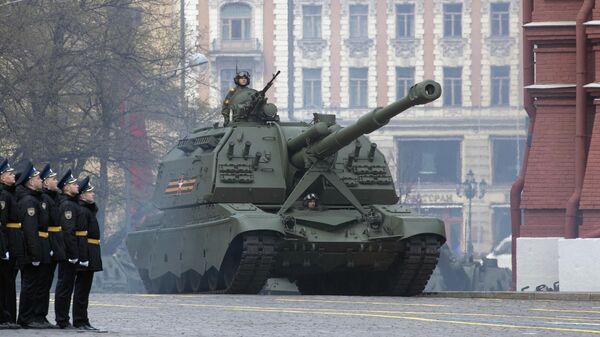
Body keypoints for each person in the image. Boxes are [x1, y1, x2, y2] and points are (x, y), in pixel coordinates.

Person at [14, 161, 50, 329]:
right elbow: (30, 230)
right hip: (31, 250)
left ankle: (30, 317)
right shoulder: (29, 201)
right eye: (36, 178)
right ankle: (25, 318)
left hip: (38, 247)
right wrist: (35, 254)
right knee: (29, 285)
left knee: (35, 285)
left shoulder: (34, 199)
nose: (40, 180)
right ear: (29, 181)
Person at [36, 164, 64, 328]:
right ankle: (36, 315)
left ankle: (42, 315)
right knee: (41, 281)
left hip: (54, 240)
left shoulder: (54, 197)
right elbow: (45, 223)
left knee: (47, 281)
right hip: (48, 241)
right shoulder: (45, 199)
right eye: (53, 179)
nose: (56, 181)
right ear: (45, 182)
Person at [74, 176, 102, 331]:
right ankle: (79, 320)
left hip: (91, 251)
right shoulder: (84, 211)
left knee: (84, 289)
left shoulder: (87, 210)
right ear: (82, 195)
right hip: (87, 253)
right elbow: (82, 236)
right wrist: (84, 257)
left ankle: (83, 319)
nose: (93, 195)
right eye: (90, 192)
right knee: (82, 289)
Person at [54, 169, 81, 329]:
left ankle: (63, 318)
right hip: (67, 253)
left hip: (69, 251)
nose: (77, 186)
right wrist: (72, 253)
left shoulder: (71, 203)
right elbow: (68, 231)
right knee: (65, 286)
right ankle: (62, 319)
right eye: (73, 184)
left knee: (67, 286)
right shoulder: (67, 206)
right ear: (65, 187)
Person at [0, 158, 20, 330]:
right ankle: (4, 317)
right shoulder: (4, 196)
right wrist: (3, 247)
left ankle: (8, 316)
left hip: (11, 241)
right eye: (9, 173)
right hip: (6, 242)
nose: (13, 175)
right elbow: (2, 224)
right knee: (4, 282)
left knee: (9, 282)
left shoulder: (9, 194)